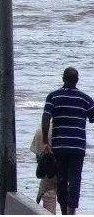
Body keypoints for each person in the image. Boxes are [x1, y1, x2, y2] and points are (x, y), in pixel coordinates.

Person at [42, 67, 94, 215]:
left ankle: (64, 210)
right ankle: (72, 211)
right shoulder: (85, 99)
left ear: (63, 79)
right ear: (77, 80)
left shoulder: (53, 97)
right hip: (77, 147)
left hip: (59, 146)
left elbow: (46, 118)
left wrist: (45, 141)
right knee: (75, 180)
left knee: (62, 180)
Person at [31, 121, 58, 214]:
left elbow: (40, 162)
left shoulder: (40, 130)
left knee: (48, 190)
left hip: (42, 133)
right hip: (63, 136)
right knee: (67, 194)